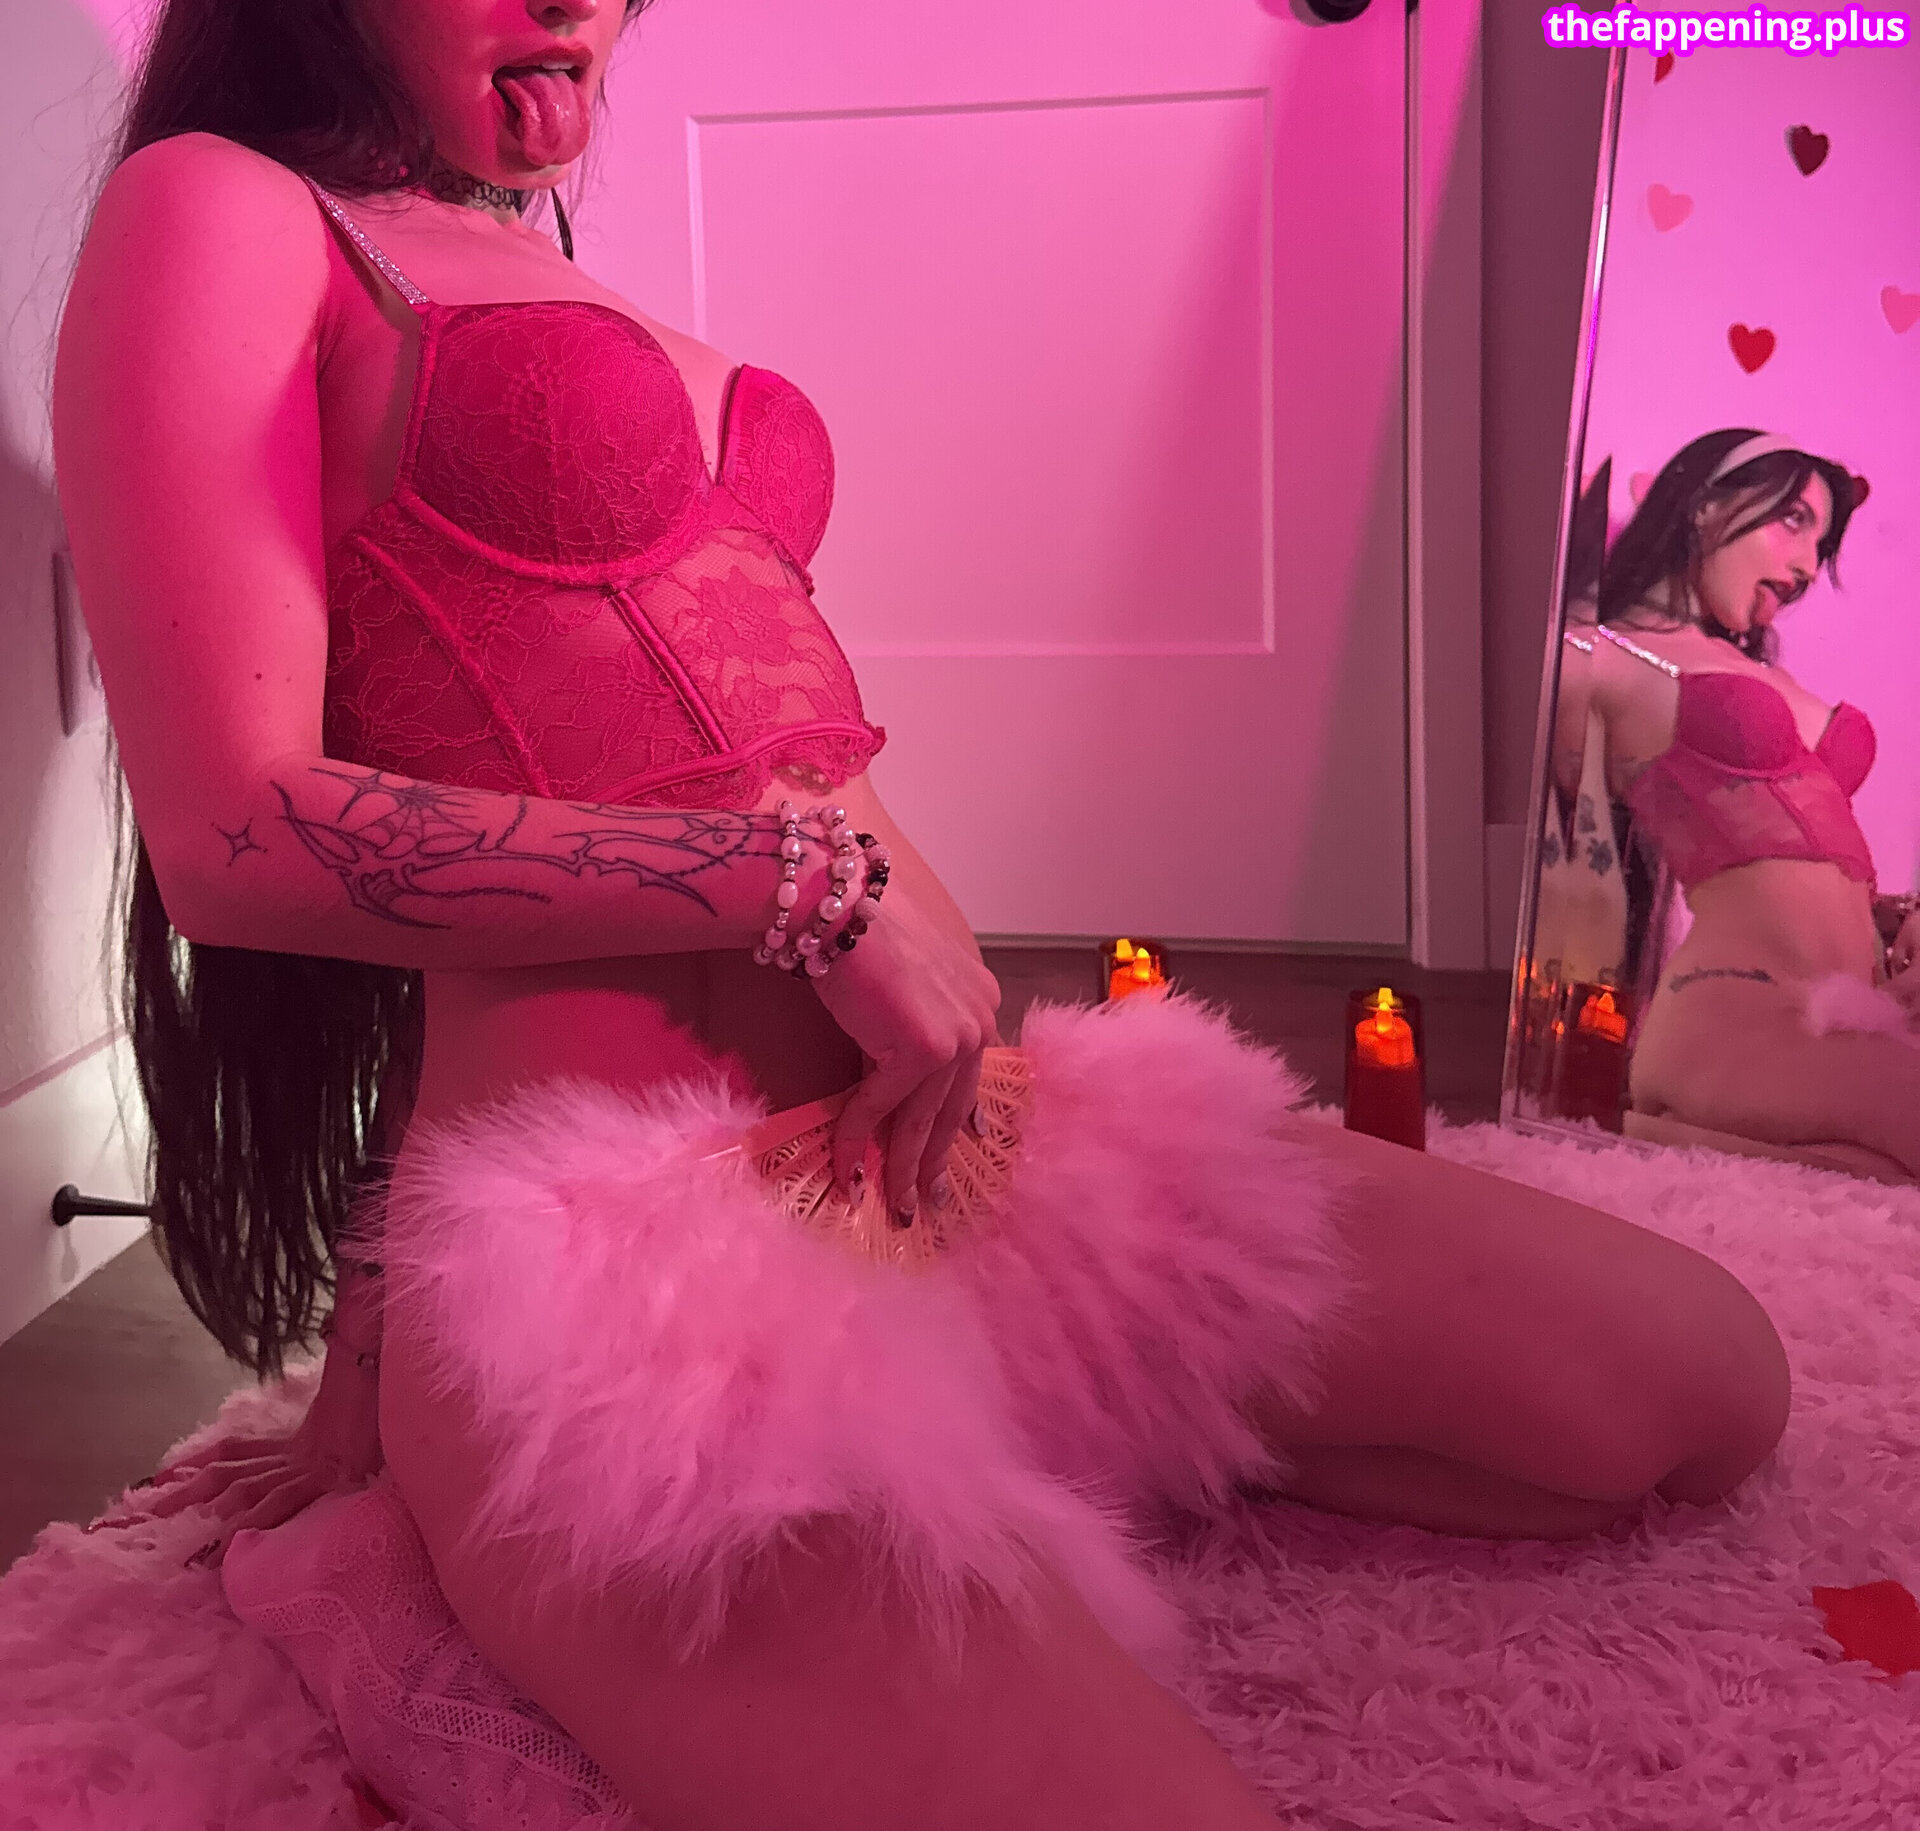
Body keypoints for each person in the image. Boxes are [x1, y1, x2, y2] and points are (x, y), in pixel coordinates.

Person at [54, 5, 1792, 1825]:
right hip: (620, 1292)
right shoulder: (229, 210)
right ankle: (396, 1591)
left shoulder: (536, 261)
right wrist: (800, 891)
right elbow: (238, 833)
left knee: (1694, 1388)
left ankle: (1017, 1445)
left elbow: (735, 735)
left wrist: (854, 900)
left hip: (947, 1170)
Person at [1559, 429, 1920, 1180]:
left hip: (1841, 1016)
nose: (1808, 564)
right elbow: (1557, 849)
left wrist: (1894, 917)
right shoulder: (1600, 655)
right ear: (1701, 505)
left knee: (1882, 1179)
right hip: (1734, 1012)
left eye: (1821, 542)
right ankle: (1657, 1123)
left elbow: (1795, 861)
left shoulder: (1754, 669)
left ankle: (1673, 1135)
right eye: (1793, 520)